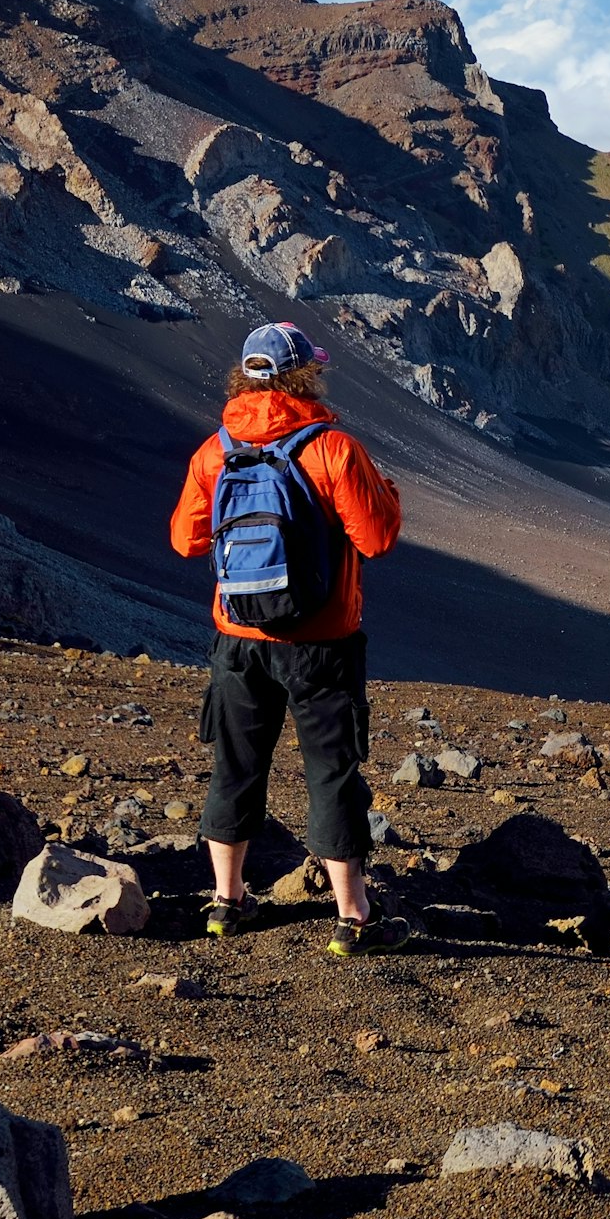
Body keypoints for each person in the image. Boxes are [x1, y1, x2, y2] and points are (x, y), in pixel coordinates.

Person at [166, 320, 412, 954]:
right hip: (321, 643)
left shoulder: (214, 450)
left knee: (235, 765)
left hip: (237, 638)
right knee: (331, 774)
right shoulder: (332, 447)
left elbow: (185, 539)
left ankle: (226, 902)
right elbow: (377, 537)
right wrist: (386, 494)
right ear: (306, 374)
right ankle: (353, 919)